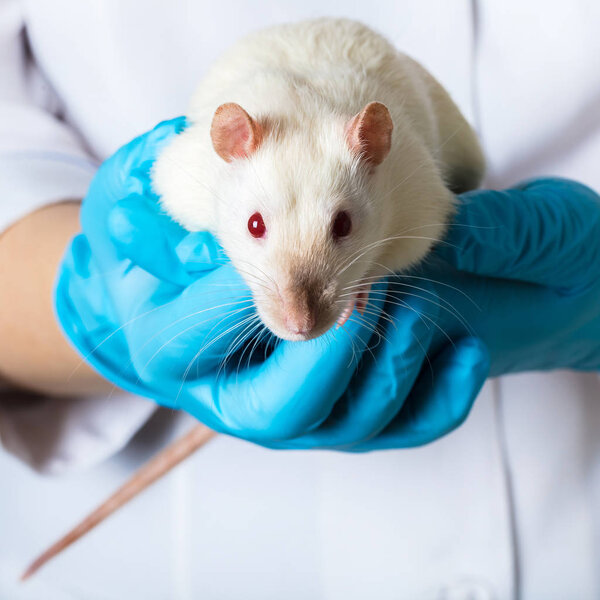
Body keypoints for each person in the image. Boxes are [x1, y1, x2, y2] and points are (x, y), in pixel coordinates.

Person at [0, 1, 599, 598]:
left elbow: (439, 204)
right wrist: (93, 307)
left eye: (342, 226)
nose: (298, 314)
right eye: (255, 226)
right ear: (230, 143)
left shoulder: (387, 161)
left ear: (371, 148)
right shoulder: (207, 164)